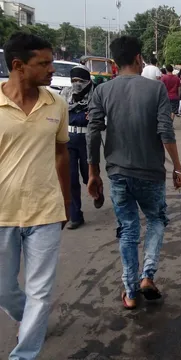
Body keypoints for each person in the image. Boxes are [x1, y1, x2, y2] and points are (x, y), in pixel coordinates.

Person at [87, 36, 181, 310]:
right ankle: (147, 276)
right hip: (151, 173)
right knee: (156, 219)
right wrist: (177, 167)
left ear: (115, 62)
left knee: (128, 230)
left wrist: (93, 172)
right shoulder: (156, 91)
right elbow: (165, 132)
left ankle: (130, 293)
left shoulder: (102, 91)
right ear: (139, 58)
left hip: (117, 173)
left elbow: (93, 133)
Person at [0, 32, 71, 360]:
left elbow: (61, 154)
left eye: (51, 61)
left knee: (41, 292)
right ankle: (25, 315)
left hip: (45, 211)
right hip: (3, 213)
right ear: (18, 66)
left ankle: (23, 354)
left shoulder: (56, 103)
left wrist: (66, 202)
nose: (51, 69)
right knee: (4, 289)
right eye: (43, 63)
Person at [61, 65, 96, 229]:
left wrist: (94, 116)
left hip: (87, 140)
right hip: (68, 139)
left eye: (80, 81)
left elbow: (102, 117)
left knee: (88, 174)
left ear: (88, 81)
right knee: (71, 178)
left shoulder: (95, 95)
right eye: (74, 80)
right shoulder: (65, 94)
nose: (77, 84)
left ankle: (97, 191)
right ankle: (75, 215)